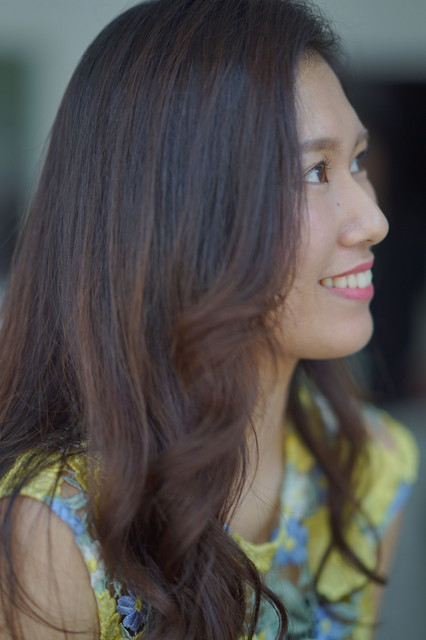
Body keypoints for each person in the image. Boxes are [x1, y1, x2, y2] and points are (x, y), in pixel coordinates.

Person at [0, 1, 418, 639]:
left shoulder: (370, 468)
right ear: (180, 214)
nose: (374, 219)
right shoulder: (55, 530)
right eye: (315, 171)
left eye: (357, 160)